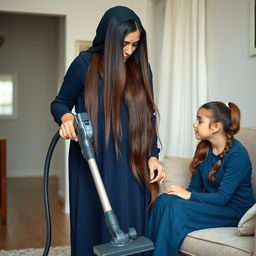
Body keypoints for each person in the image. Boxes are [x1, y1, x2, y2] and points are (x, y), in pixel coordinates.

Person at [50, 6, 165, 256]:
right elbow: (59, 102)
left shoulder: (141, 69)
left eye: (135, 45)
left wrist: (153, 155)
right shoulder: (84, 64)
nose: (129, 51)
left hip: (133, 161)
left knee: (131, 227)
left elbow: (149, 118)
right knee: (94, 227)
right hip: (93, 161)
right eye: (124, 44)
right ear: (110, 38)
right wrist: (67, 117)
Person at [147, 101, 255, 256]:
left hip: (235, 211)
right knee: (164, 200)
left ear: (216, 127)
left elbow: (223, 198)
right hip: (215, 206)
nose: (194, 124)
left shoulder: (237, 155)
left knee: (176, 209)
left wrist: (187, 196)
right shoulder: (204, 148)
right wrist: (179, 194)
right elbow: (195, 188)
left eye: (200, 120)